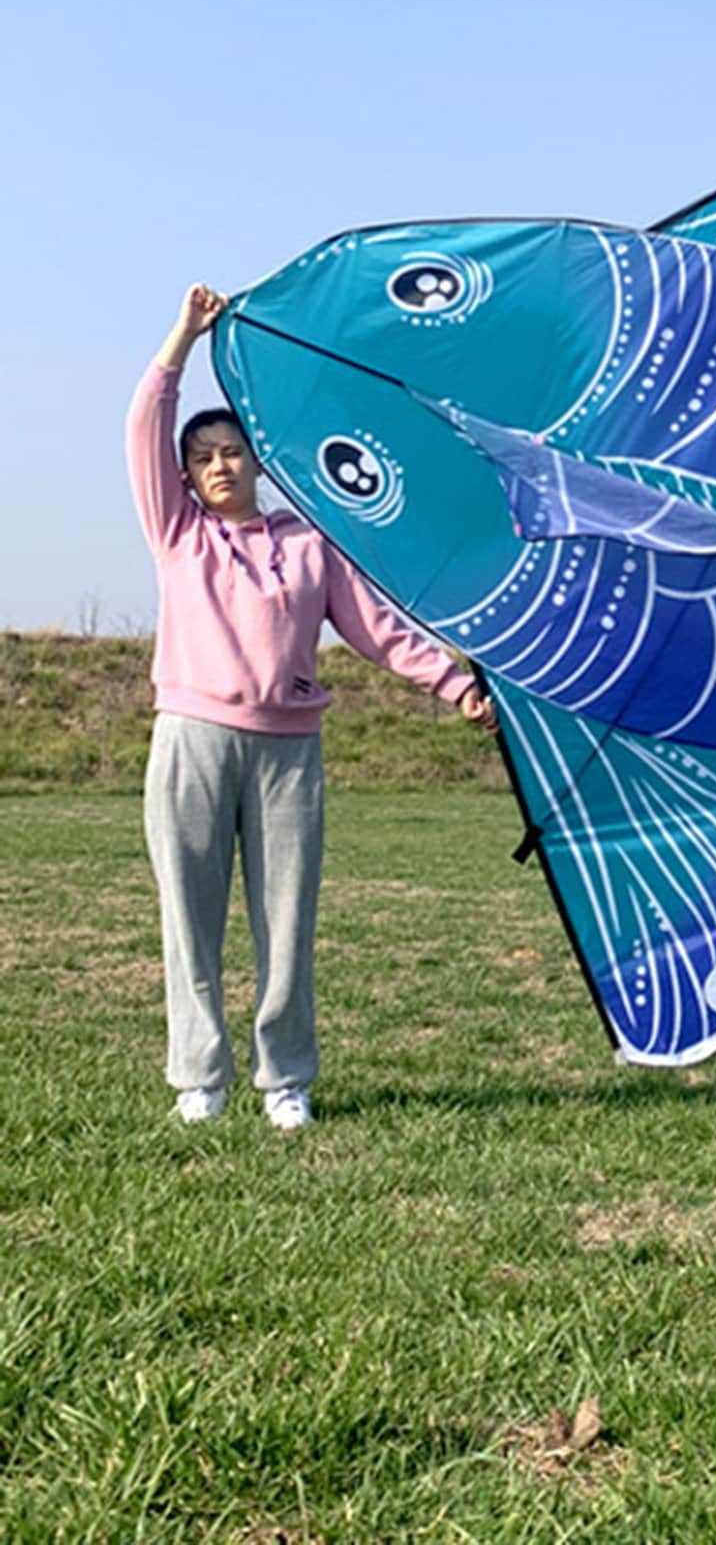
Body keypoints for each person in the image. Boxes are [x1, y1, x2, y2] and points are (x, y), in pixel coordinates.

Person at [129, 283, 498, 1129]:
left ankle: (284, 1076)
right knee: (189, 917)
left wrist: (457, 685)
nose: (220, 466)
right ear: (186, 477)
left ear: (258, 459)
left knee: (285, 920)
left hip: (288, 752)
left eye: (233, 451)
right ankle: (201, 1077)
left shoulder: (308, 543)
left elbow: (380, 633)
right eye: (204, 458)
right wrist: (182, 337)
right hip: (191, 738)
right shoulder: (178, 532)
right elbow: (146, 420)